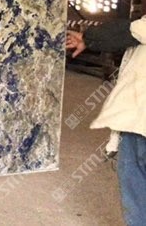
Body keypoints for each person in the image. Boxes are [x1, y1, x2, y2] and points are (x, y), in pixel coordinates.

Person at [67, 18, 146, 226]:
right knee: (133, 174)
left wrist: (89, 38)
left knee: (134, 174)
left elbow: (131, 30)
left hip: (138, 120)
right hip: (135, 118)